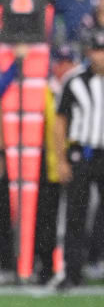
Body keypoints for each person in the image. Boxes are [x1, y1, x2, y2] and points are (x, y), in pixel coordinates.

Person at [55, 28, 104, 290]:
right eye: (96, 50)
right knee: (75, 214)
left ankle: (96, 261)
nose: (100, 56)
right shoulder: (74, 81)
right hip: (82, 153)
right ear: (87, 52)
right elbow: (60, 122)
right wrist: (61, 159)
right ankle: (72, 272)